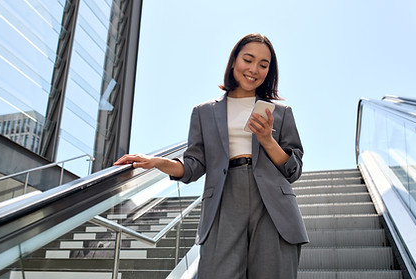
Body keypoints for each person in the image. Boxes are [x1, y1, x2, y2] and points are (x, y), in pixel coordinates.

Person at [114, 33, 308, 279]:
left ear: (269, 71)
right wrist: (158, 163)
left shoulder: (281, 112)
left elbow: (294, 170)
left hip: (273, 205)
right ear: (234, 61)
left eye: (263, 64)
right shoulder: (204, 112)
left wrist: (268, 141)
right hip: (223, 200)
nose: (254, 69)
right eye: (248, 60)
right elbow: (194, 165)